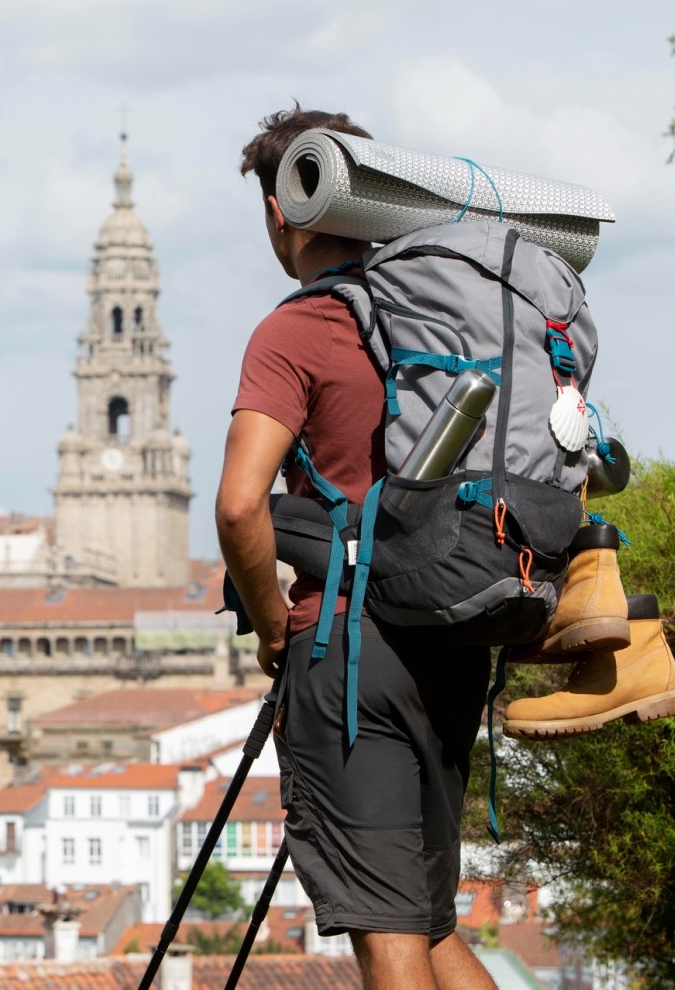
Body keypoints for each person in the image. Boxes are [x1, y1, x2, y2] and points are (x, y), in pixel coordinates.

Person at [216, 105, 496, 990]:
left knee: (387, 937)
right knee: (431, 923)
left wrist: (269, 623)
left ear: (278, 209)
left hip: (348, 653)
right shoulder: (442, 321)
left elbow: (237, 508)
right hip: (451, 642)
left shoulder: (297, 331)